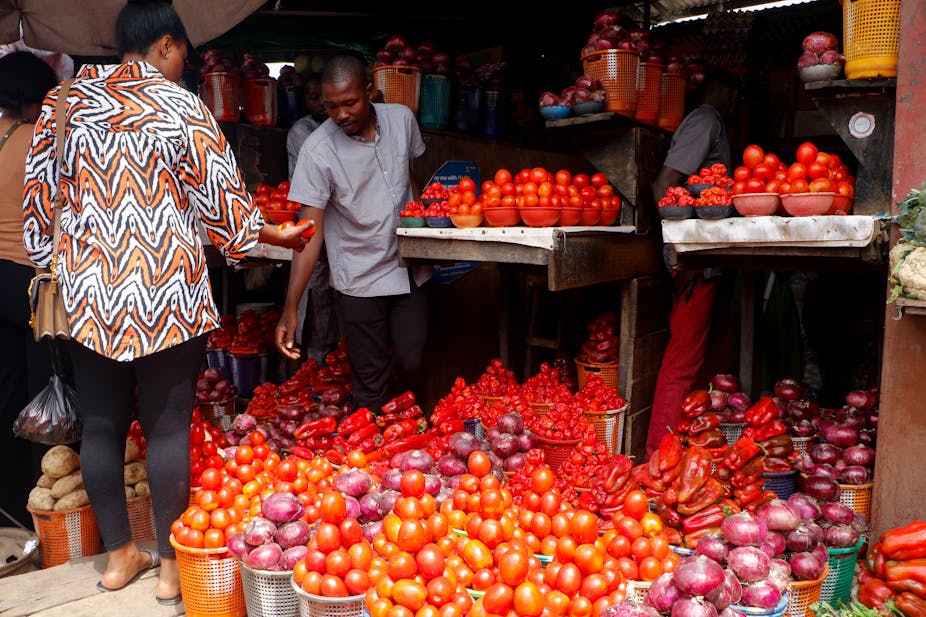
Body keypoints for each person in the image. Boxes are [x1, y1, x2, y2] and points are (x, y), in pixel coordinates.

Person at [22, 0, 310, 605]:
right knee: (166, 428)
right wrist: (266, 232)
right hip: (167, 292)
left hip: (89, 295)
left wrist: (63, 261)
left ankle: (120, 555)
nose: (184, 65)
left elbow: (38, 207)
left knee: (100, 426)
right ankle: (173, 566)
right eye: (183, 53)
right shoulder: (182, 106)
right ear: (163, 44)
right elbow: (227, 209)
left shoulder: (63, 103)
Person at [276, 54, 430, 412]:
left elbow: (409, 177)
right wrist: (292, 305)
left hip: (410, 270)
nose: (341, 114)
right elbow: (308, 233)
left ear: (370, 91)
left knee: (413, 362)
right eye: (331, 106)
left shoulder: (402, 120)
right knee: (370, 384)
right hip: (360, 278)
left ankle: (415, 437)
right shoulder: (318, 151)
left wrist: (428, 231)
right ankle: (378, 453)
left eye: (350, 103)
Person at [646, 69, 740, 456]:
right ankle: (656, 456)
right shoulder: (706, 120)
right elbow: (663, 184)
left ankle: (683, 452)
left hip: (704, 260)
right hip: (693, 261)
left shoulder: (710, 123)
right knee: (683, 361)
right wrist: (677, 254)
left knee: (702, 358)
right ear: (728, 93)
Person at [0, 51, 59, 528]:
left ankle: (9, 503)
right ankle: (49, 505)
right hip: (33, 283)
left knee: (5, 393)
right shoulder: (43, 141)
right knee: (49, 394)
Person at [286, 74, 339, 363]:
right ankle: (316, 360)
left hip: (342, 227)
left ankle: (333, 357)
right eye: (313, 97)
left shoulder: (342, 127)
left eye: (324, 97)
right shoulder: (302, 132)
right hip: (314, 221)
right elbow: (311, 186)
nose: (320, 103)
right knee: (316, 289)